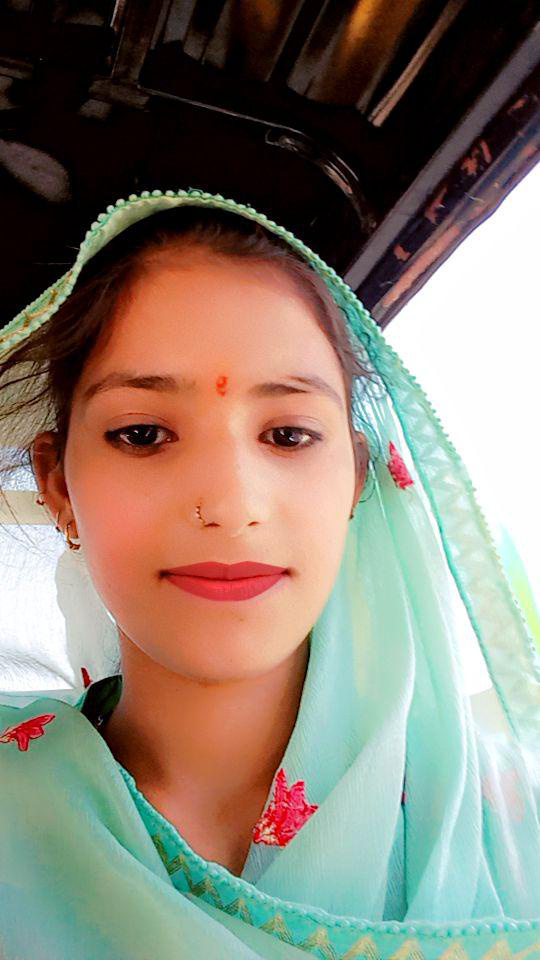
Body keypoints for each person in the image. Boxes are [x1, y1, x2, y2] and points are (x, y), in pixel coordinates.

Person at [0, 187, 538, 959]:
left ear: (356, 478)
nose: (230, 505)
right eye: (143, 434)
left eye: (287, 435)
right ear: (58, 487)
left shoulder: (512, 829)